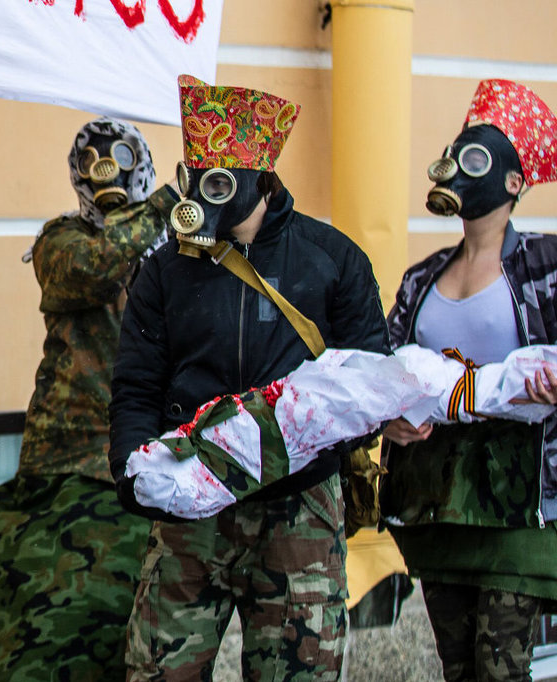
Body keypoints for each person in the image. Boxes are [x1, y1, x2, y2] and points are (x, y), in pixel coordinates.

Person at [109, 76, 389, 682]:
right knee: (158, 670)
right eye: (196, 178)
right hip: (191, 512)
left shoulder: (332, 261)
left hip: (299, 512)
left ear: (262, 177)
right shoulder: (164, 272)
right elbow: (136, 384)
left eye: (218, 181)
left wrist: (312, 451)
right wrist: (133, 470)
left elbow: (369, 380)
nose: (203, 197)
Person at [0, 117, 174, 682]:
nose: (105, 172)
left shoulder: (177, 253)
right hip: (62, 463)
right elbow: (96, 267)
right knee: (17, 598)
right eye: (93, 163)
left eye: (120, 158)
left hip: (143, 457)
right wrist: (166, 203)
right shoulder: (62, 240)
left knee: (113, 611)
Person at [381, 78, 557, 682]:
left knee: (500, 668)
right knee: (458, 670)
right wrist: (390, 418)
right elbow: (385, 370)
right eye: (457, 153)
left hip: (517, 505)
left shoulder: (547, 263)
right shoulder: (420, 278)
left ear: (513, 182)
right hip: (437, 501)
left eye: (476, 159)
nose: (458, 168)